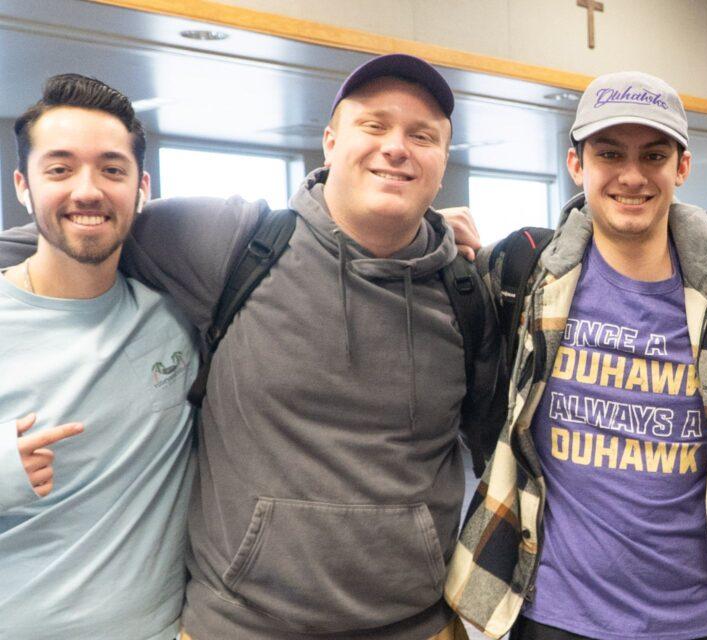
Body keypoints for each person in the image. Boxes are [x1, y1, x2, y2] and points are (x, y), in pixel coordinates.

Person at [0, 54, 496, 640]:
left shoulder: (470, 291)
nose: (397, 147)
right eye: (374, 126)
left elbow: (499, 450)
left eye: (422, 137)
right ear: (330, 142)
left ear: (442, 163)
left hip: (414, 624)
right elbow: (85, 228)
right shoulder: (232, 242)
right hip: (238, 625)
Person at [444, 71, 707, 640]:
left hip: (705, 617)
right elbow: (420, 298)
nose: (632, 176)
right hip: (555, 612)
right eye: (610, 154)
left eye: (653, 155)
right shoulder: (526, 270)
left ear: (681, 167)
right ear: (577, 164)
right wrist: (427, 230)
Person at [0, 74, 196, 639]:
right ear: (23, 185)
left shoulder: (176, 321)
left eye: (112, 169)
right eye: (59, 169)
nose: (88, 190)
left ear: (141, 187)